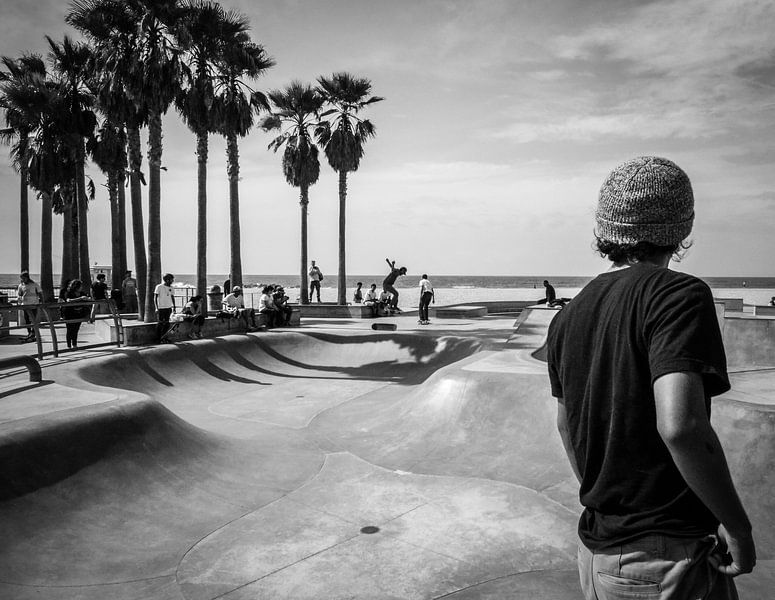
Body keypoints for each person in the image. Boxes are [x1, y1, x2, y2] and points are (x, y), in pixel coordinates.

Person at [546, 157, 756, 600]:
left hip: (599, 553)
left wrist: (612, 500)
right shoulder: (679, 296)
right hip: (665, 561)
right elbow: (682, 426)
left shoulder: (569, 314)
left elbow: (566, 426)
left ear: (606, 228)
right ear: (680, 228)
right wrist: (737, 527)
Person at [61, 279, 90, 349]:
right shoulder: (69, 292)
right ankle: (69, 345)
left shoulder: (82, 293)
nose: (81, 287)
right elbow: (68, 300)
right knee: (69, 329)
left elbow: (88, 298)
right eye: (80, 286)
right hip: (69, 314)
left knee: (76, 329)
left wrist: (87, 299)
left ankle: (74, 344)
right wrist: (80, 298)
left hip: (79, 313)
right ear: (76, 287)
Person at [16, 271, 42, 342]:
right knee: (26, 319)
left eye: (24, 278)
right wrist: (19, 300)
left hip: (34, 304)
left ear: (27, 278)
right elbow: (19, 294)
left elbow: (40, 293)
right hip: (25, 305)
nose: (22, 280)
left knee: (33, 319)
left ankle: (33, 333)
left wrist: (42, 302)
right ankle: (29, 333)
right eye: (21, 278)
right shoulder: (21, 285)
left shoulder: (34, 285)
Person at [154, 273, 176, 343]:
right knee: (160, 323)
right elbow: (155, 297)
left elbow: (172, 297)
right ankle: (158, 338)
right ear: (167, 280)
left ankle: (164, 337)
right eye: (171, 279)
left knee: (167, 323)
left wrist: (174, 307)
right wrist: (156, 308)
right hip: (161, 307)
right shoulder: (159, 287)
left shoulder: (171, 288)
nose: (172, 281)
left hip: (168, 307)